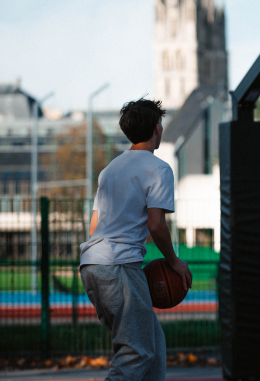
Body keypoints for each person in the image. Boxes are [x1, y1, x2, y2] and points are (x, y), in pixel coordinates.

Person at [80, 98, 192, 381]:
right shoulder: (158, 168)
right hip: (119, 266)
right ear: (158, 129)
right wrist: (174, 261)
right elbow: (156, 225)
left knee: (152, 344)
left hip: (93, 266)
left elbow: (95, 226)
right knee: (137, 351)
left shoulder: (110, 170)